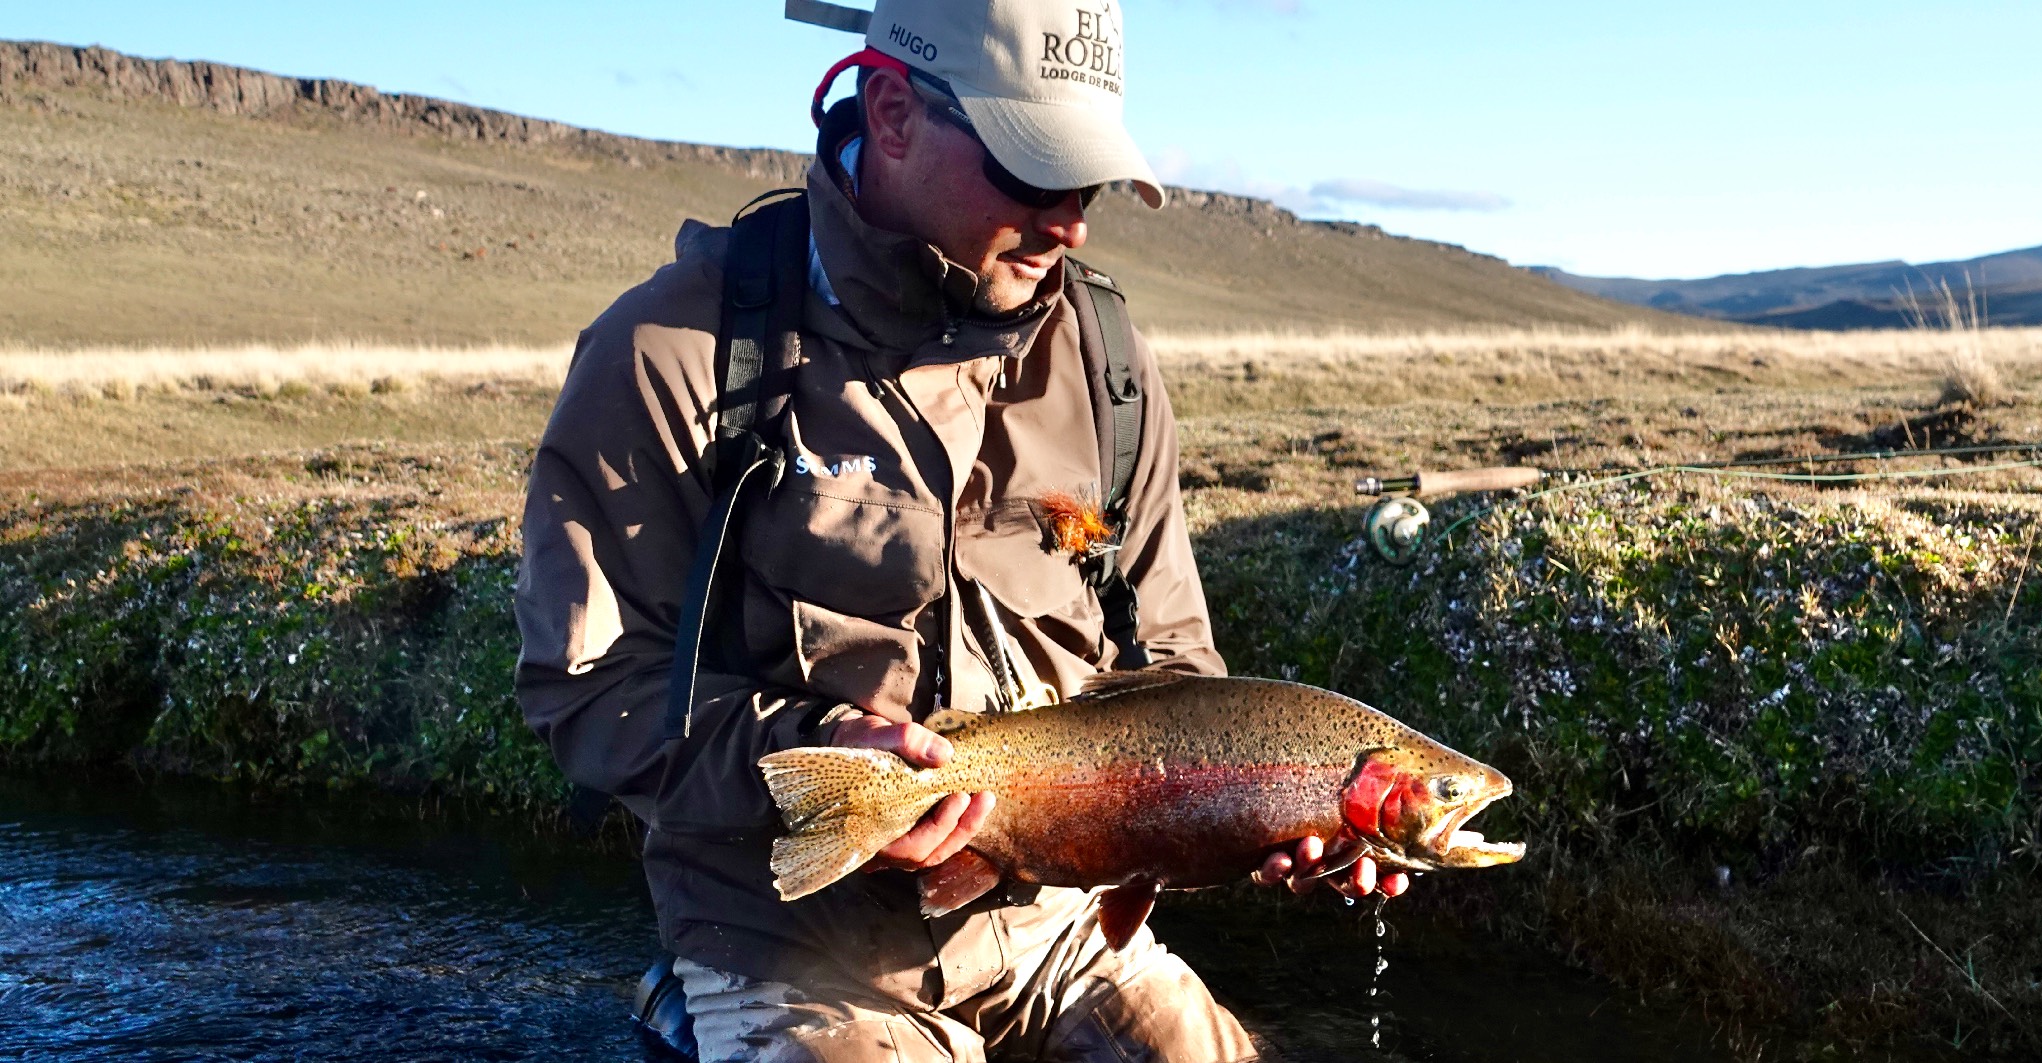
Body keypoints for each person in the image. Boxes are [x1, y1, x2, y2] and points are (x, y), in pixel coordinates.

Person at [513, 1, 1402, 1059]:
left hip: (1065, 931)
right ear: (891, 111)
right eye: (1033, 174)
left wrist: (1252, 818)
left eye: (1089, 185)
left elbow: (1173, 666)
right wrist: (815, 758)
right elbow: (588, 690)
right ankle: (693, 1004)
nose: (1070, 224)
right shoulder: (675, 352)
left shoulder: (1107, 362)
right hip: (795, 943)